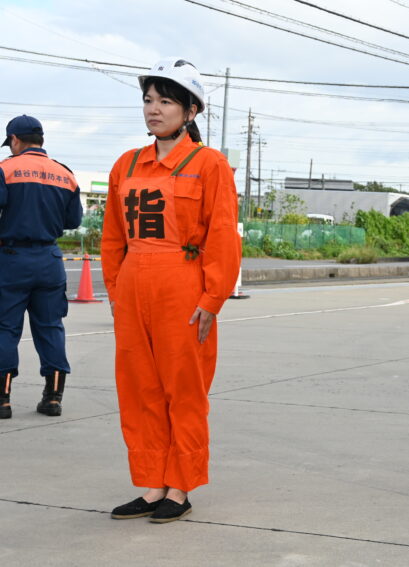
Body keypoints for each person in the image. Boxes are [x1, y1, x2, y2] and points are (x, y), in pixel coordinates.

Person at [101, 58, 241, 523]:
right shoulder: (126, 165)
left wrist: (211, 299)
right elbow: (113, 237)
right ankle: (151, 484)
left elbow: (222, 235)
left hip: (182, 285)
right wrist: (117, 290)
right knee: (139, 388)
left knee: (183, 390)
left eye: (165, 101)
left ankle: (180, 487)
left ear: (192, 110)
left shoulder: (210, 165)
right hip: (134, 284)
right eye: (148, 100)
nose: (153, 110)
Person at [0, 115, 82, 420]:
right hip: (49, 260)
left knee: (5, 328)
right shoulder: (65, 174)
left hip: (11, 259)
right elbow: (73, 221)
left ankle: (3, 401)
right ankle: (52, 398)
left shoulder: (5, 169)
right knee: (50, 328)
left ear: (15, 140)